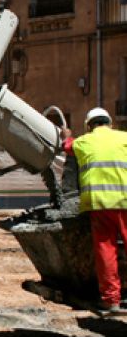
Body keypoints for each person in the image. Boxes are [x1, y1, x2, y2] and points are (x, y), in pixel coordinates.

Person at [62, 107, 127, 313]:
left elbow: (66, 146)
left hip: (98, 204)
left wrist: (67, 135)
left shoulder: (83, 142)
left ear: (89, 126)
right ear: (110, 123)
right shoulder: (124, 138)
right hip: (125, 202)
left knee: (106, 251)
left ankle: (111, 300)